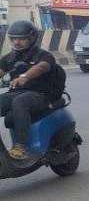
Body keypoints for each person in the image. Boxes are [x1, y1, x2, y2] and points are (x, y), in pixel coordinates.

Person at [0, 20, 65, 162]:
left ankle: (20, 147)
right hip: (17, 93)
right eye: (14, 39)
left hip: (41, 95)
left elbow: (42, 67)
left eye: (21, 39)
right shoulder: (9, 58)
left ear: (31, 38)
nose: (17, 42)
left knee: (20, 102)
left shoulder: (44, 55)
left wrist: (25, 76)